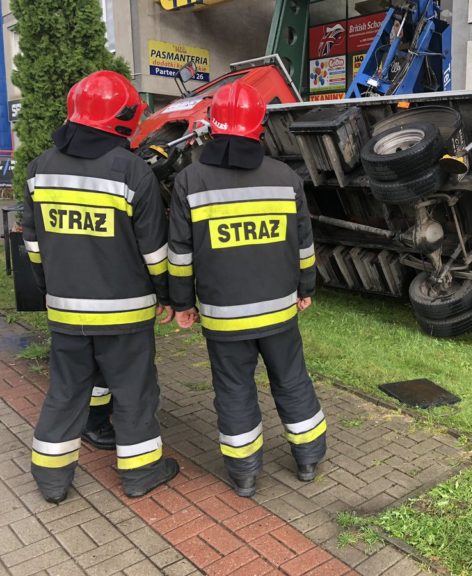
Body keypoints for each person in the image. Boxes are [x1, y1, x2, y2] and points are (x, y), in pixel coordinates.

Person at [22, 70, 178, 503]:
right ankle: (142, 472)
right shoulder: (132, 172)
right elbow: (155, 253)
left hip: (65, 310)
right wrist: (168, 295)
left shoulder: (38, 170)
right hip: (125, 314)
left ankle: (51, 479)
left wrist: (51, 290)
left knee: (66, 390)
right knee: (134, 392)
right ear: (123, 119)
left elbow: (34, 247)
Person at [168, 81, 325, 498]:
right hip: (279, 312)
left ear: (211, 126)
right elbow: (304, 245)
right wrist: (305, 287)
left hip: (223, 317)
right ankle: (308, 459)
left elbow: (180, 253)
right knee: (292, 380)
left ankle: (245, 475)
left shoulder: (190, 180)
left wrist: (182, 303)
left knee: (233, 390)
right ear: (259, 126)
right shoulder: (285, 177)